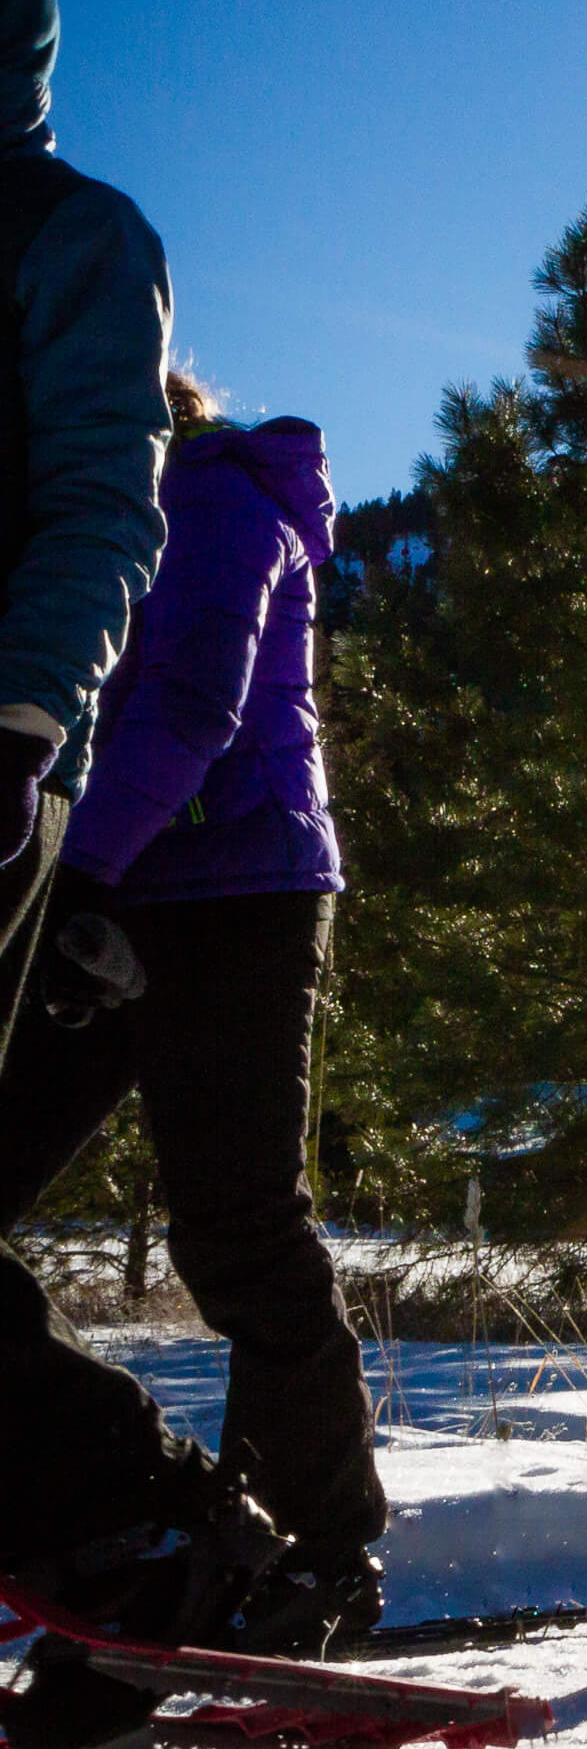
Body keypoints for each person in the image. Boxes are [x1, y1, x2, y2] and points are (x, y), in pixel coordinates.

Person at [0, 0, 295, 1749]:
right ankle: (129, 1527)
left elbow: (105, 497)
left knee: (242, 1216)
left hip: (4, 770)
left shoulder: (67, 235)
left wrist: (24, 723)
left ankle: (158, 1529)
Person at [0, 367, 386, 1650]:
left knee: (240, 1234)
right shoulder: (66, 521)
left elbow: (188, 704)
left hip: (242, 886)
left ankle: (318, 1560)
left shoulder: (218, 500)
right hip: (108, 884)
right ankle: (120, 1507)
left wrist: (78, 878)